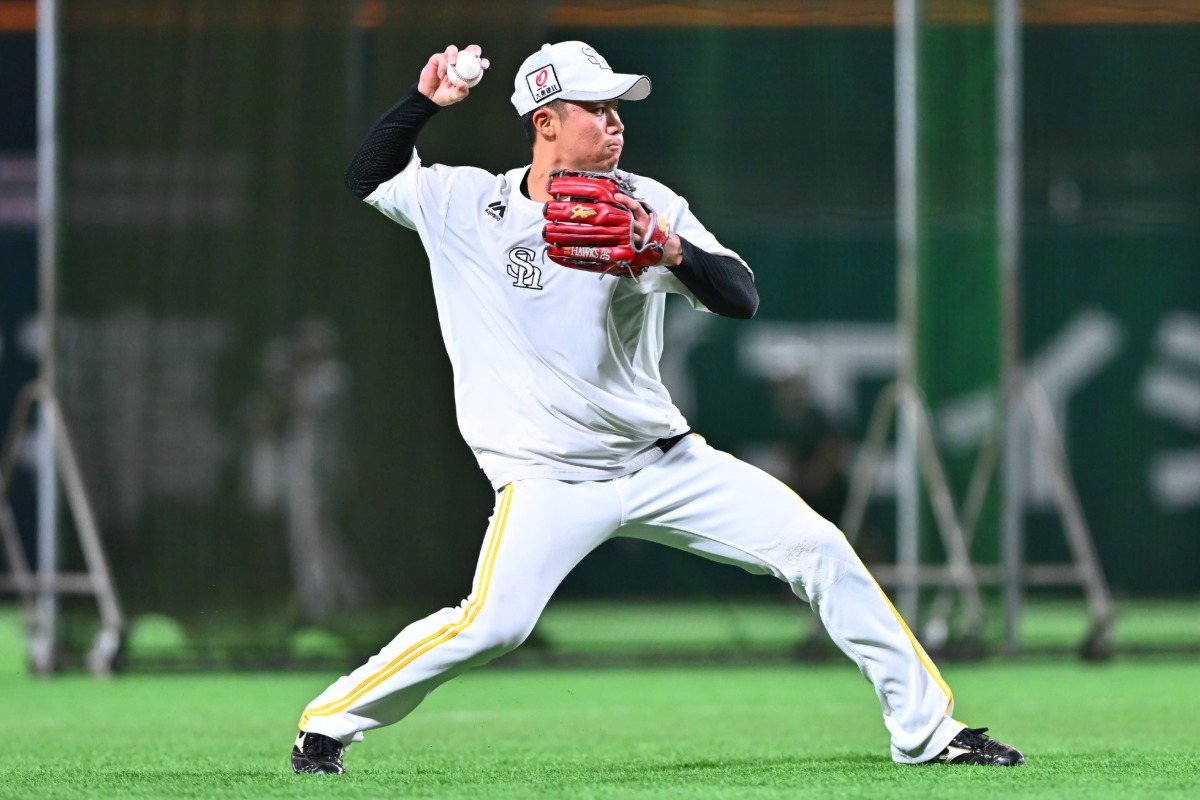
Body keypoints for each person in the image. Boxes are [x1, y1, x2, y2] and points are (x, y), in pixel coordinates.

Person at [290, 41, 1024, 774]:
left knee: (820, 548)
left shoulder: (646, 203)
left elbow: (740, 295)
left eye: (618, 109)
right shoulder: (469, 207)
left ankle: (929, 732)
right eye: (596, 108)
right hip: (548, 478)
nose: (615, 123)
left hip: (661, 462)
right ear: (545, 122)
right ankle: (326, 724)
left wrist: (670, 250)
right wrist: (425, 103)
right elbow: (368, 175)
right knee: (495, 625)